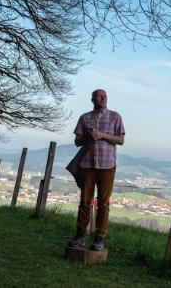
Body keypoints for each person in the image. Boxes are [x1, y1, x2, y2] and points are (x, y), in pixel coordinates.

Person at [67, 89, 125, 251]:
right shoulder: (85, 117)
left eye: (105, 96)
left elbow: (120, 140)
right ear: (92, 99)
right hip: (87, 164)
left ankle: (99, 238)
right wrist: (87, 135)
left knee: (104, 204)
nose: (103, 98)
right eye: (100, 96)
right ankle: (80, 235)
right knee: (84, 202)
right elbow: (77, 141)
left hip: (108, 166)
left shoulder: (115, 116)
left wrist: (101, 135)